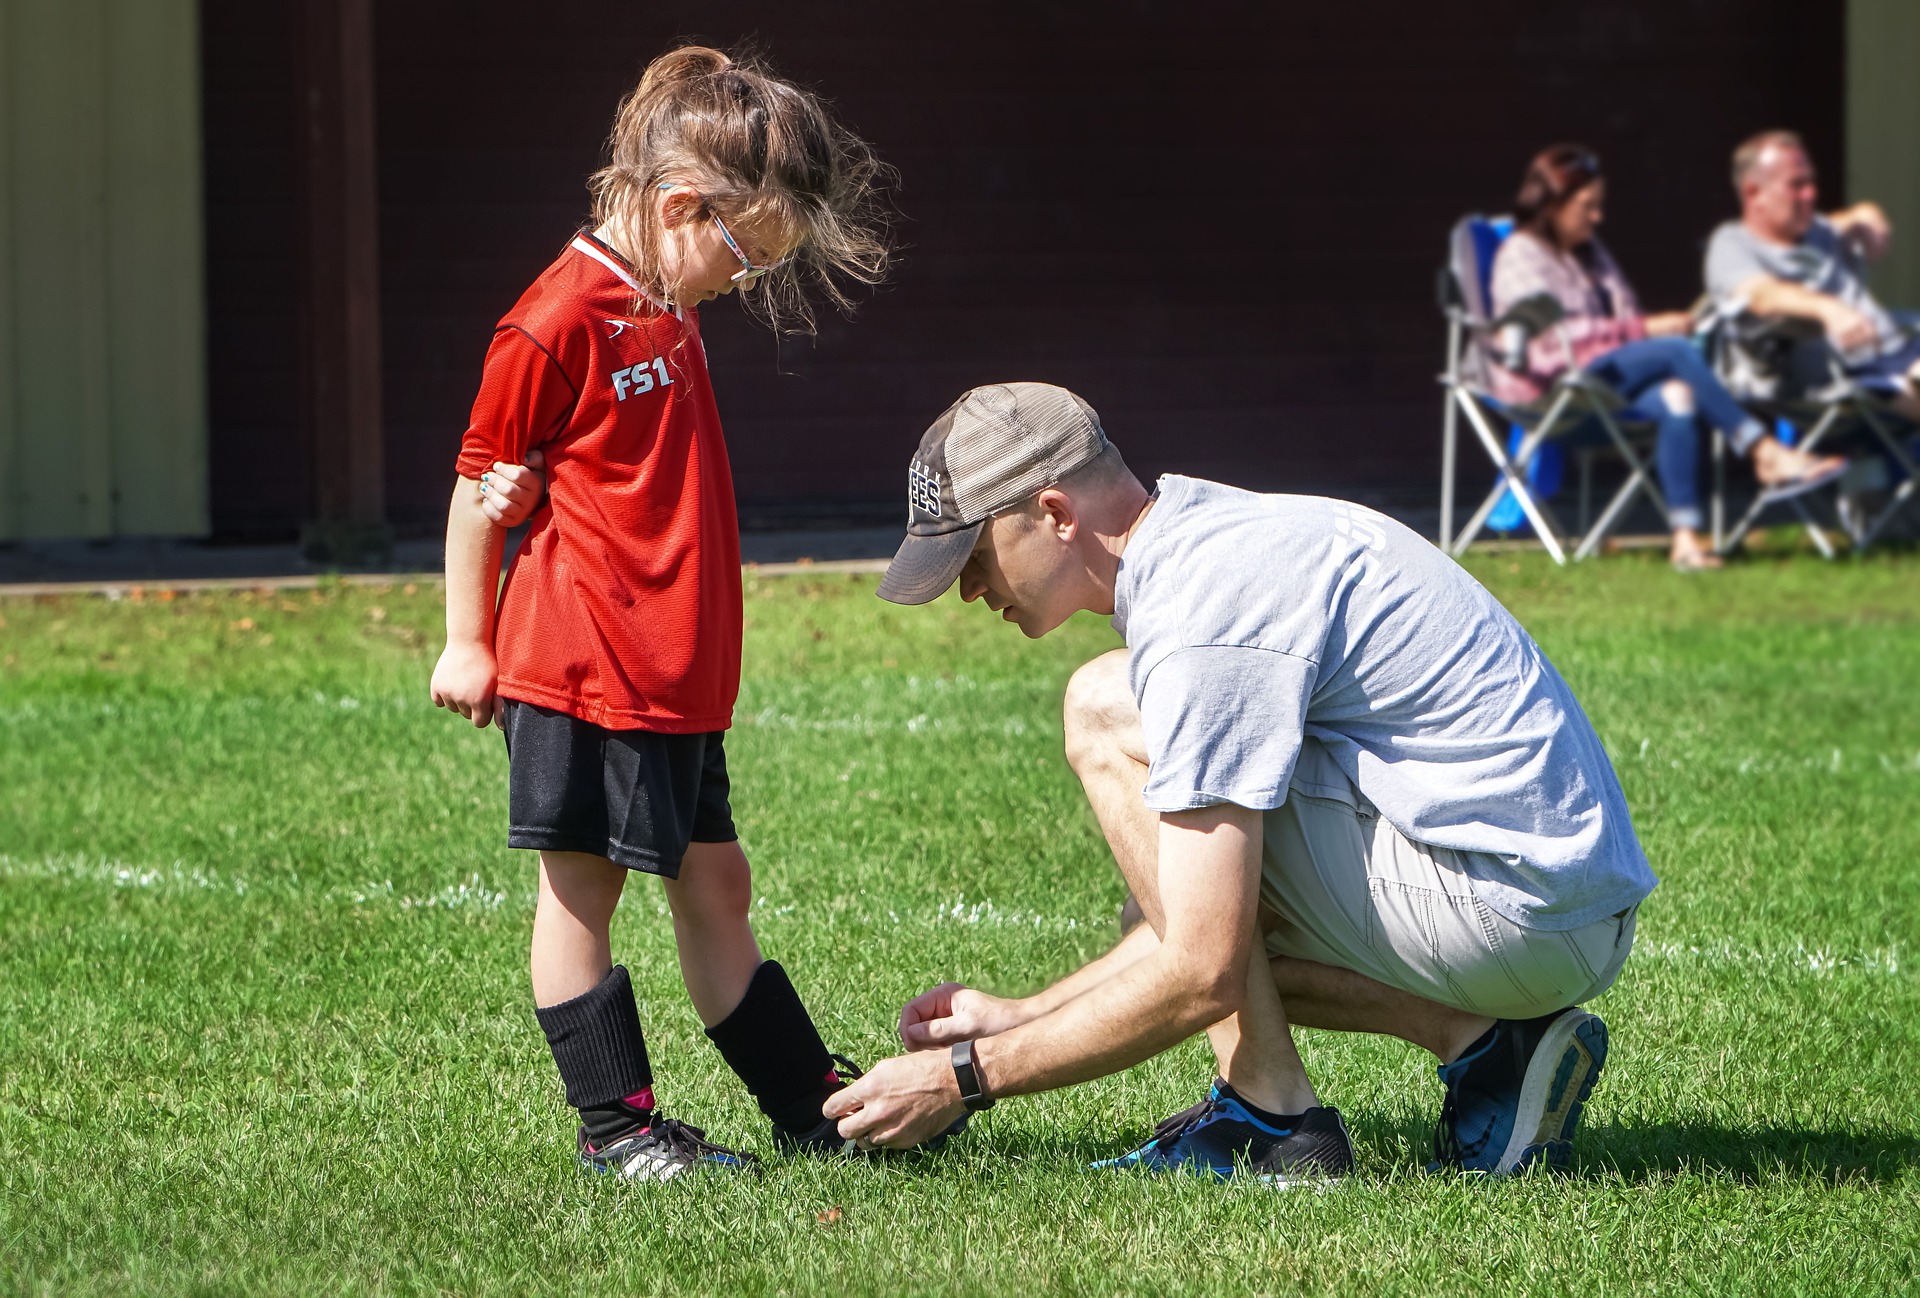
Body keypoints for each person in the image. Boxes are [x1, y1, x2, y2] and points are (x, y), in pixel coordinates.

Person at [825, 383, 1656, 1181]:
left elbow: (1203, 969)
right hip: (1550, 901)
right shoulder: (1210, 538)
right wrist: (1025, 1016)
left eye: (974, 556)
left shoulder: (1201, 612)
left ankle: (1271, 1119)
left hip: (1518, 909)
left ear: (1055, 513)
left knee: (1105, 714)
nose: (970, 589)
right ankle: (1488, 1044)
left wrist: (962, 1078)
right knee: (1173, 891)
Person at [428, 45, 894, 1181]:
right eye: (745, 253)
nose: (744, 280)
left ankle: (812, 1109)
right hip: (587, 666)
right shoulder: (554, 318)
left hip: (672, 672)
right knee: (581, 892)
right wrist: (468, 641)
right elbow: (480, 483)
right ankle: (620, 1130)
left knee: (718, 885)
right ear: (680, 205)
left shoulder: (667, 301)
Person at [1489, 144, 1843, 571]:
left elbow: (1626, 310)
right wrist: (1646, 331)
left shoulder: (1590, 253)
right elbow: (1548, 344)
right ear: (1552, 202)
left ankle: (1685, 541)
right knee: (1675, 351)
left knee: (1678, 395)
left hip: (1605, 386)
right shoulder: (1520, 255)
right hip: (1552, 391)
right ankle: (1763, 450)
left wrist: (1650, 330)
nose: (1597, 217)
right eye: (1587, 206)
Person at [1705, 129, 1920, 419]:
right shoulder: (1731, 244)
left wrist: (1867, 214)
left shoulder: (1815, 230)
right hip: (1849, 376)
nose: (1811, 193)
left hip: (1900, 353)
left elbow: (1849, 219)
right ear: (1753, 193)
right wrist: (1828, 309)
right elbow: (1760, 295)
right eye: (1796, 185)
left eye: (1811, 182)